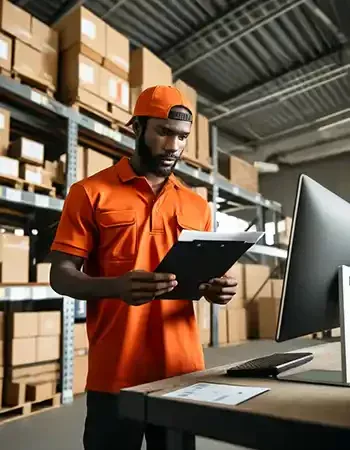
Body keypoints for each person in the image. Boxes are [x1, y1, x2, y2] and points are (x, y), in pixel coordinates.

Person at [49, 85, 238, 450]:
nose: (173, 146)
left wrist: (217, 287)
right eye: (163, 132)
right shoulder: (89, 193)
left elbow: (198, 277)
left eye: (181, 136)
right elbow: (61, 274)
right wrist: (115, 287)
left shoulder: (197, 205)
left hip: (182, 371)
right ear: (136, 128)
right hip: (115, 372)